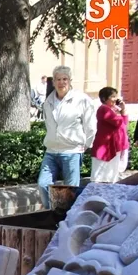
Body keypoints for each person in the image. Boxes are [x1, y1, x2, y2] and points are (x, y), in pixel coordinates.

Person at [37, 65, 96, 209]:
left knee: (71, 191)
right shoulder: (48, 102)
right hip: (51, 150)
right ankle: (52, 212)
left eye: (65, 79)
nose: (61, 82)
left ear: (70, 81)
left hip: (72, 151)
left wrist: (87, 144)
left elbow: (91, 125)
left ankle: (70, 218)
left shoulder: (82, 100)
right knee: (42, 184)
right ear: (53, 82)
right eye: (58, 79)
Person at [90, 87, 130, 183]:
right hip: (105, 147)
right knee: (101, 177)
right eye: (113, 96)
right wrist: (120, 113)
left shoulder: (112, 109)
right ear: (104, 98)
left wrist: (122, 111)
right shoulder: (104, 109)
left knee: (111, 175)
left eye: (116, 96)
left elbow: (124, 124)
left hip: (113, 146)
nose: (116, 99)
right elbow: (118, 122)